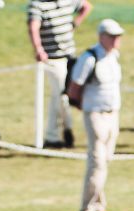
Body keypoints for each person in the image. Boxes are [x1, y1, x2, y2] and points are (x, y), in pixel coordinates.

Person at [71, 18, 123, 211]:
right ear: (102, 37)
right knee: (97, 162)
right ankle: (87, 209)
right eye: (112, 36)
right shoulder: (89, 58)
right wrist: (85, 108)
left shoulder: (113, 57)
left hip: (113, 113)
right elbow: (74, 88)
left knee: (106, 160)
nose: (116, 40)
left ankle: (98, 204)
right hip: (95, 113)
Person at [28, 0, 89, 148]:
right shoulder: (37, 5)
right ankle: (56, 135)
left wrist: (74, 24)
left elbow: (86, 7)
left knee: (64, 96)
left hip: (69, 56)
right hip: (52, 59)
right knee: (59, 96)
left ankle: (63, 131)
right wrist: (38, 49)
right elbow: (33, 28)